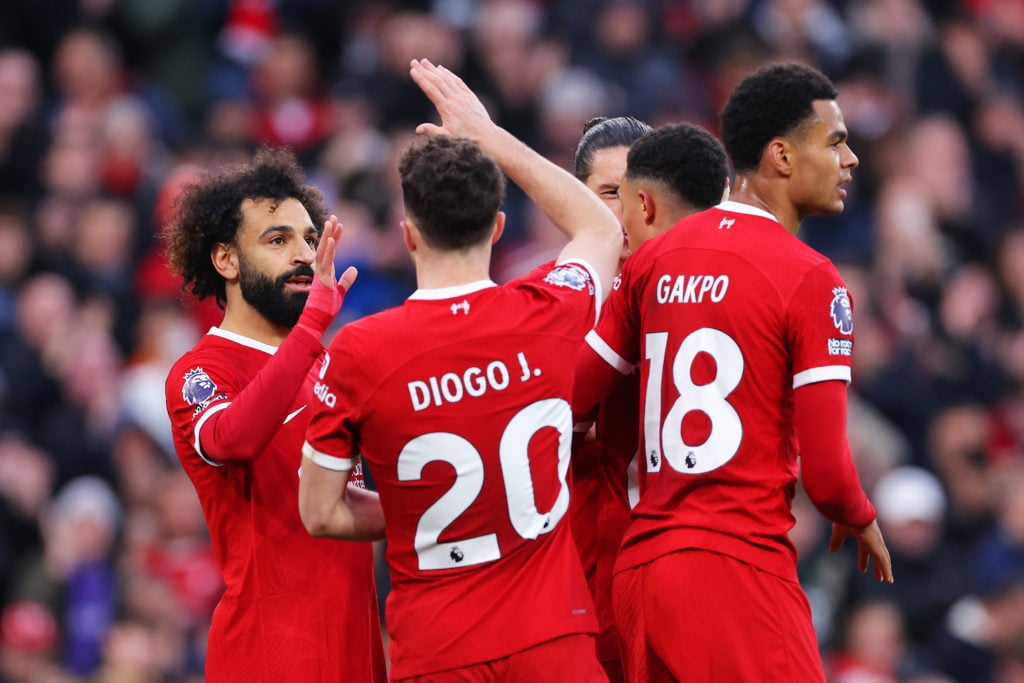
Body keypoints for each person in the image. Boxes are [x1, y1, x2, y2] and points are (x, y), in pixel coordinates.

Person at [298, 58, 622, 682]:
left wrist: (419, 501)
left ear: (409, 234)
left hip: (437, 650)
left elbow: (321, 513)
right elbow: (599, 227)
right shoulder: (550, 310)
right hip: (552, 640)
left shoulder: (358, 353)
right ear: (499, 227)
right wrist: (489, 135)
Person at [574, 61, 894, 682]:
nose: (850, 159)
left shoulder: (652, 259)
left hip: (640, 575)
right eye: (835, 141)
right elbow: (826, 478)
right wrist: (857, 513)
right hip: (735, 567)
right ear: (780, 155)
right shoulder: (811, 278)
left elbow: (572, 396)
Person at [162, 147, 387, 683]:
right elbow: (231, 441)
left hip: (355, 653)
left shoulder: (327, 365)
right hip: (269, 657)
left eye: (310, 239)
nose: (305, 255)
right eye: (278, 239)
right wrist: (311, 331)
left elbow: (349, 501)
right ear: (226, 260)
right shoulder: (199, 372)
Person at [569, 117, 729, 683]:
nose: (629, 210)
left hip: (670, 567)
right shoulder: (545, 302)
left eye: (639, 192)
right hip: (569, 579)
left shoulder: (701, 298)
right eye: (608, 193)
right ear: (573, 202)